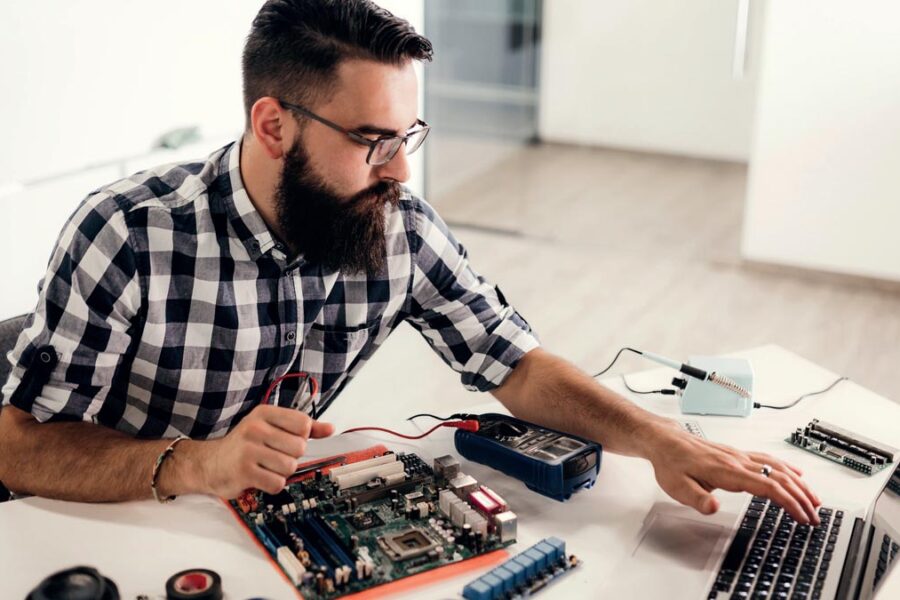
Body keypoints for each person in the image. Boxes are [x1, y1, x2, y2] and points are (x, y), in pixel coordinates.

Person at [0, 0, 820, 525]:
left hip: (258, 527)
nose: (399, 171)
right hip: (108, 523)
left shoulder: (398, 227)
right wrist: (198, 463)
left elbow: (517, 366)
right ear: (274, 125)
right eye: (372, 142)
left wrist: (659, 438)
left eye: (407, 137)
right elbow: (18, 445)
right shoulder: (131, 234)